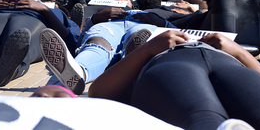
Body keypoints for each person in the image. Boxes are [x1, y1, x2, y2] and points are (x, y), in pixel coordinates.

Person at [88, 30, 260, 130]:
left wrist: (238, 51)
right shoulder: (142, 61)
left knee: (204, 119)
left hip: (220, 61)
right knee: (203, 119)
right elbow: (98, 93)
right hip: (175, 61)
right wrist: (147, 49)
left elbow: (97, 91)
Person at [39, 5, 176, 95]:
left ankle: (134, 57)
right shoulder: (106, 12)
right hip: (109, 26)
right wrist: (95, 18)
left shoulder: (155, 13)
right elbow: (80, 39)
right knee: (97, 42)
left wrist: (163, 23)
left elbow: (181, 33)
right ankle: (78, 72)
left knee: (140, 37)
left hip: (143, 26)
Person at [0, 0, 80, 87]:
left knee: (21, 36)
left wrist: (45, 9)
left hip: (33, 18)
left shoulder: (57, 12)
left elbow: (71, 44)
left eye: (51, 0)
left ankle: (5, 73)